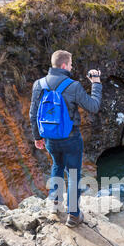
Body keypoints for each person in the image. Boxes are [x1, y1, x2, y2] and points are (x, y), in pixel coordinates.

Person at [29, 50, 102, 227]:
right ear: (63, 65)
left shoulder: (39, 84)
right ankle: (74, 215)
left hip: (50, 139)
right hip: (71, 138)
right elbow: (94, 106)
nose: (71, 67)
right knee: (74, 174)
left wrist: (37, 137)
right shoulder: (73, 86)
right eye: (70, 64)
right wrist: (96, 84)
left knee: (57, 166)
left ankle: (55, 205)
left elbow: (33, 114)